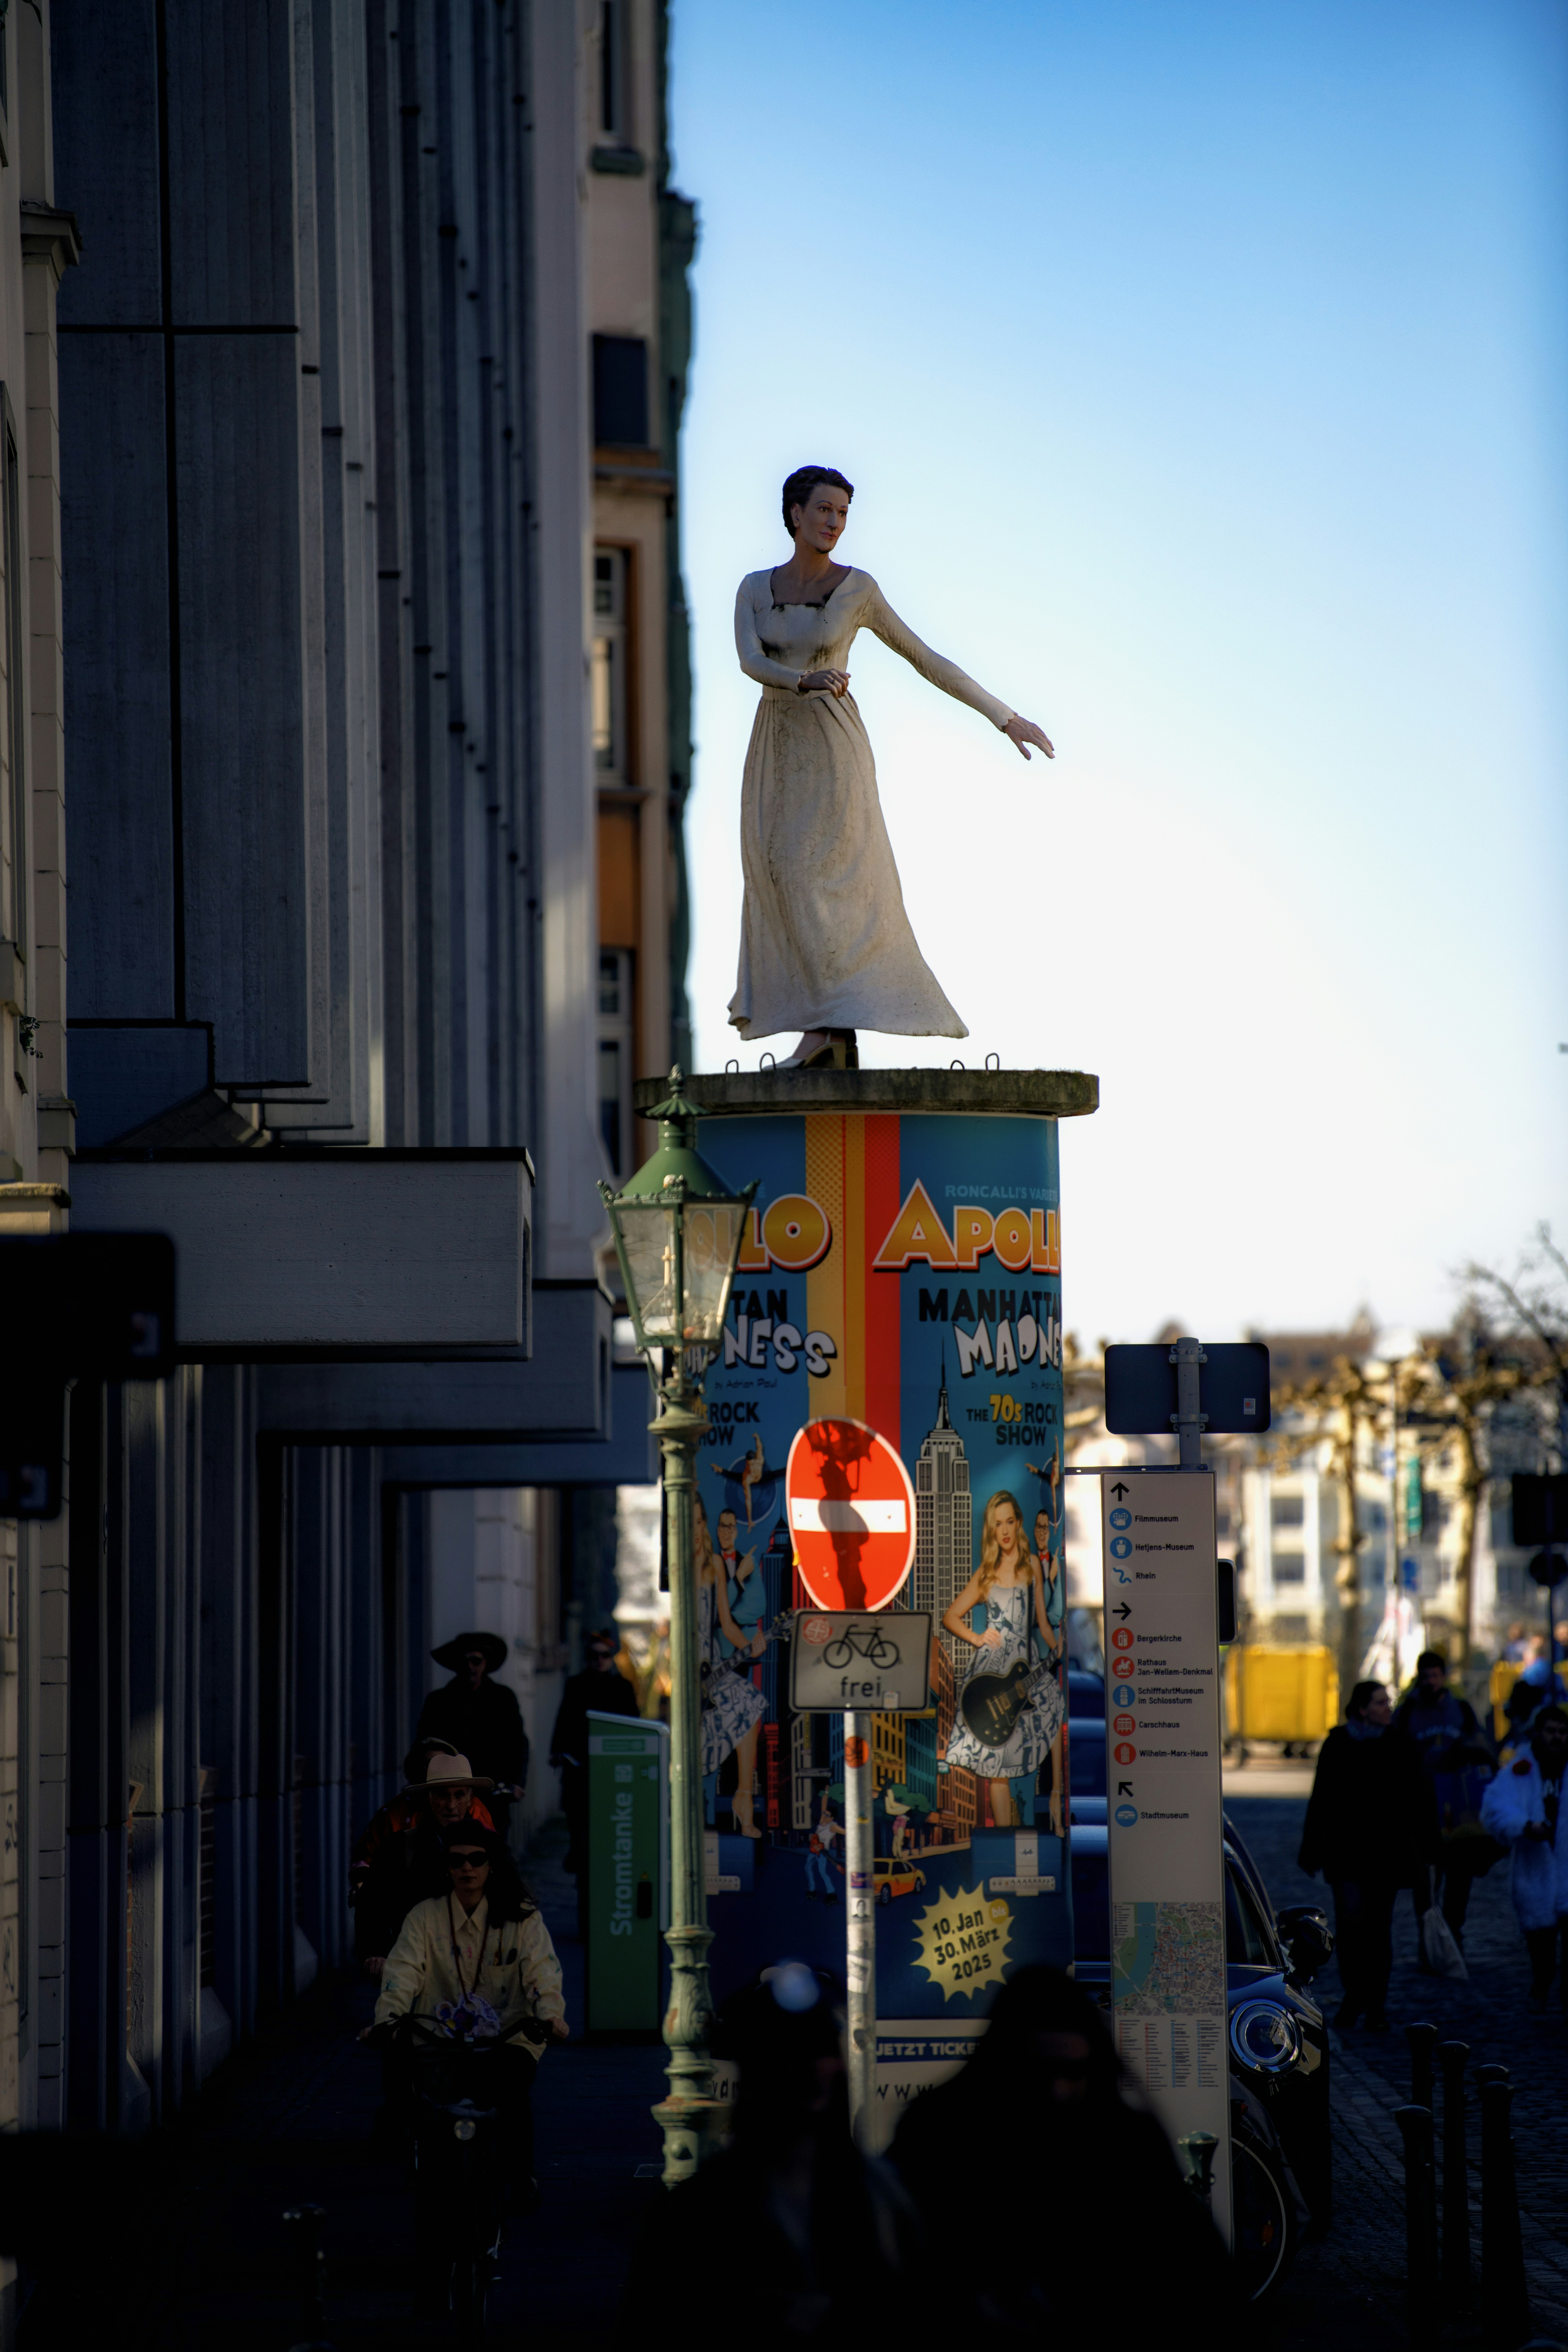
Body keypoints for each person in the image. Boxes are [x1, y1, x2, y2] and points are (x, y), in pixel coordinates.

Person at [729, 466, 1054, 1069]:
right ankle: (826, 1025)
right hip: (774, 745)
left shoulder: (858, 590)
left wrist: (1003, 717)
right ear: (795, 514)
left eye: (843, 513)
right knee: (777, 874)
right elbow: (749, 661)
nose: (834, 522)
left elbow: (924, 657)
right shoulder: (754, 587)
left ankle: (829, 1024)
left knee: (815, 876)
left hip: (833, 750)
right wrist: (801, 680)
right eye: (824, 510)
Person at [891, 1967, 1236, 2342]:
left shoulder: (1126, 2141)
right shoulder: (939, 2135)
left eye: (1072, 2072)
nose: (1056, 2091)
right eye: (1036, 2072)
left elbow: (1196, 2272)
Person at [630, 1963, 921, 2345]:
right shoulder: (695, 2213)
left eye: (820, 2048)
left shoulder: (885, 2199)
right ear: (756, 2072)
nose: (809, 2069)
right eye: (786, 2053)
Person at [371, 1824, 567, 2204]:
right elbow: (403, 1972)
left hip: (507, 2037)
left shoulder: (522, 1919)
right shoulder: (424, 1918)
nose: (467, 1868)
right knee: (426, 2110)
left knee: (512, 2096)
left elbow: (542, 1972)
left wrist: (549, 2015)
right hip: (439, 2041)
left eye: (477, 1859)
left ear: (491, 1866)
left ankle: (522, 2174)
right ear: (446, 1867)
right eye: (457, 1860)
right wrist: (389, 2019)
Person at [1298, 1679, 1428, 2029]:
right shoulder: (1338, 1743)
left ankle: (1375, 2005)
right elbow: (1321, 1797)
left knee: (1378, 1931)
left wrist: (1425, 1850)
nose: (1387, 1707)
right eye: (1379, 1702)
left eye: (1388, 1701)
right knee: (1352, 1927)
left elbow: (1419, 1801)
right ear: (1361, 1708)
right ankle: (1354, 1996)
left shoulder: (1399, 1745)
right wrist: (1311, 1849)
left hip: (1386, 1855)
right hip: (1346, 1855)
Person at [942, 1490, 1064, 1829]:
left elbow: (1041, 1623)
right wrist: (977, 1637)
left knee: (1054, 1704)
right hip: (992, 1669)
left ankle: (1056, 1794)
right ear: (992, 1530)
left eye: (1010, 1521)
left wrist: (1058, 1650)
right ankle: (1006, 1839)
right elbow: (951, 1616)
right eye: (999, 1524)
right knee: (995, 1760)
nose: (1006, 1530)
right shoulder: (986, 1573)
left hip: (1025, 1663)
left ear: (1018, 1523)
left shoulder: (1031, 1570)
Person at [354, 1750, 499, 1974]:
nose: (451, 1805)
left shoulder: (493, 1848)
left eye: (459, 1795)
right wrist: (376, 1953)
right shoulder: (399, 1847)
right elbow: (372, 1905)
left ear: (470, 1799)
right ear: (429, 1798)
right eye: (443, 1795)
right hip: (415, 1968)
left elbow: (514, 1900)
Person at [1391, 1649, 1493, 1945]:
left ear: (1443, 1677)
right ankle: (1430, 1937)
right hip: (1421, 1807)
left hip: (1457, 1806)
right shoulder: (1407, 1712)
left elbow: (1480, 1747)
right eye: (1425, 1677)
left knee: (1460, 1876)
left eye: (1435, 1676)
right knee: (1425, 1882)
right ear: (1418, 1678)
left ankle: (1453, 1933)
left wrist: (1466, 1754)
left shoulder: (1460, 1709)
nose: (1430, 1682)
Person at [1481, 1703, 1568, 2013]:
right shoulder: (1521, 1768)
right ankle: (1541, 1984)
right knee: (1540, 1940)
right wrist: (1523, 1825)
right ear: (1538, 1733)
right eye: (1550, 1732)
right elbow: (1496, 1806)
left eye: (1562, 1732)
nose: (1557, 1738)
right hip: (1536, 1869)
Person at [695, 1492, 767, 1835]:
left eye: (699, 1521)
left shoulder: (716, 1569)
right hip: (686, 1662)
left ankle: (743, 1795)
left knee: (751, 1702)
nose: (698, 1529)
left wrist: (752, 1647)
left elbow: (728, 1624)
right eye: (690, 1522)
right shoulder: (678, 1567)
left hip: (712, 1660)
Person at [416, 1632, 530, 1840]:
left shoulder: (503, 1698)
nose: (470, 1667)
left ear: (485, 1663)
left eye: (476, 1661)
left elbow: (519, 1743)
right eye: (464, 1661)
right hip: (451, 1795)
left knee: (495, 1852)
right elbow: (423, 1747)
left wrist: (517, 1783)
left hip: (493, 1792)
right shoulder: (438, 1701)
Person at [549, 1626, 640, 1874]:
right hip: (579, 1762)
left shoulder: (622, 1687)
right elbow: (564, 1718)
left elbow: (633, 1723)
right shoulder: (576, 1684)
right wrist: (558, 1751)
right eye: (594, 1655)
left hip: (611, 1764)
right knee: (576, 1818)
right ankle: (579, 1852)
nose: (599, 1660)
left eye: (604, 1655)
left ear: (611, 1658)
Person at [1504, 1633, 1568, 1742]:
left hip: (1539, 1715)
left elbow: (1525, 1692)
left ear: (1531, 1655)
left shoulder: (1535, 1669)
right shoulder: (1552, 1670)